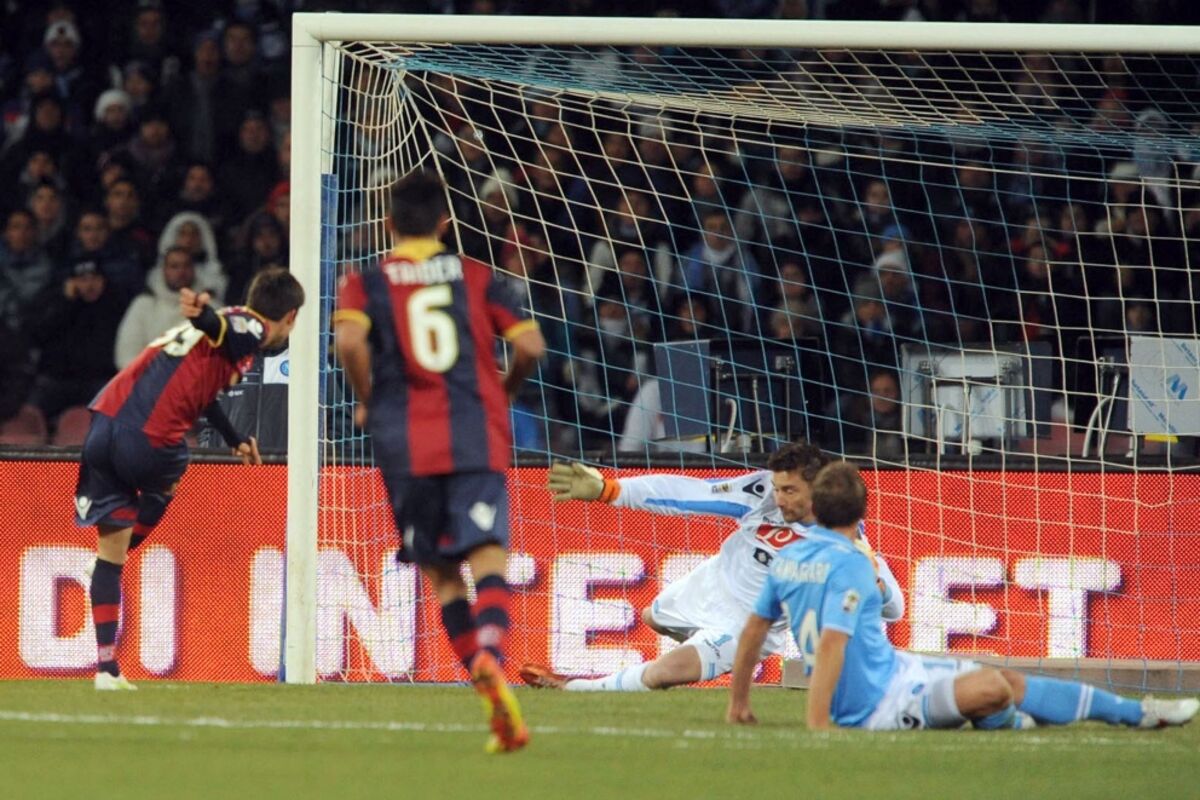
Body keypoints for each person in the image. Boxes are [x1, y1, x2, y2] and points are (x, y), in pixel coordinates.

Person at [726, 461, 1200, 732]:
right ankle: (1013, 723)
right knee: (993, 689)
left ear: (814, 506)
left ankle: (1138, 713)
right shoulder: (852, 563)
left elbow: (752, 629)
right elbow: (832, 643)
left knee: (1004, 679)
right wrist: (818, 725)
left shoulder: (788, 557)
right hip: (879, 707)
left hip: (895, 671)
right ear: (863, 510)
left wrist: (738, 703)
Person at [333, 170, 545, 754]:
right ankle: (493, 653)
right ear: (445, 225)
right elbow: (530, 345)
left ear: (388, 225)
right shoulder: (477, 277)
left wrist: (369, 400)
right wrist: (504, 390)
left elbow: (348, 343)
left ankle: (482, 677)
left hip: (405, 442)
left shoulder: (365, 282)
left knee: (443, 575)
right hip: (474, 433)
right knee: (488, 554)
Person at [518, 441, 903, 692]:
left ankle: (574, 687)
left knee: (666, 672)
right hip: (713, 583)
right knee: (652, 616)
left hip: (748, 625)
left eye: (789, 490)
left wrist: (876, 585)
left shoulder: (842, 532)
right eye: (777, 487)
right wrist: (611, 490)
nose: (779, 498)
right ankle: (709, 650)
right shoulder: (761, 495)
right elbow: (688, 493)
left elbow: (895, 608)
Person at [76, 267, 304, 691]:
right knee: (172, 469)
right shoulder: (249, 325)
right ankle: (130, 547)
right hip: (148, 435)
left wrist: (236, 439)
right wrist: (204, 315)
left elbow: (205, 394)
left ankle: (106, 670)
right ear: (290, 317)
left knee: (108, 556)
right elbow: (224, 327)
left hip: (103, 422)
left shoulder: (220, 340)